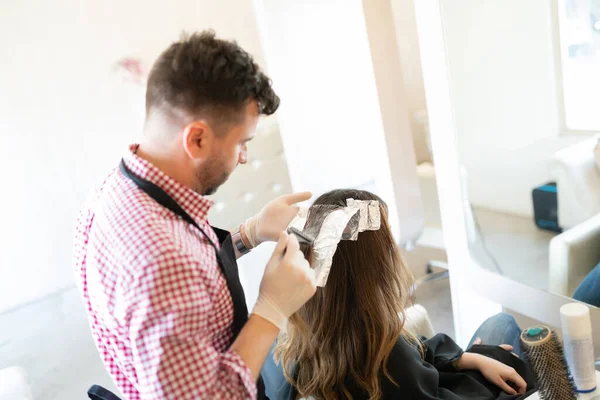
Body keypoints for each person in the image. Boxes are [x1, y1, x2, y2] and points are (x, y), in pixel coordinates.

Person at [73, 31, 317, 400]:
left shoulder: (117, 187)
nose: (244, 158)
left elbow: (191, 274)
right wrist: (272, 309)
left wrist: (250, 232)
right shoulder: (161, 257)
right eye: (242, 143)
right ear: (197, 139)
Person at [264, 189, 537, 400]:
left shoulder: (294, 336)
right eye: (387, 239)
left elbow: (414, 353)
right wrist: (488, 361)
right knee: (504, 326)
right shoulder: (382, 355)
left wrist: (467, 358)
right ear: (373, 266)